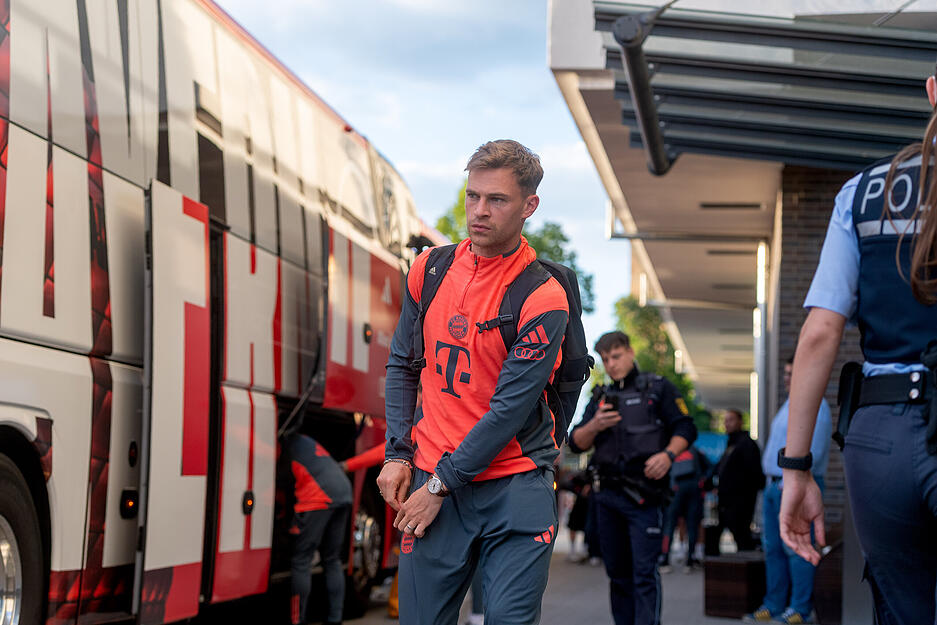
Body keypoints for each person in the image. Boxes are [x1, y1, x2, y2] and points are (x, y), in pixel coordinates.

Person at [378, 140, 570, 625]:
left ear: (530, 205)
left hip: (514, 484)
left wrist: (439, 486)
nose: (479, 211)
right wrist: (398, 453)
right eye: (473, 196)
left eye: (497, 200)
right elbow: (403, 364)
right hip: (434, 476)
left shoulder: (543, 297)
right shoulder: (430, 269)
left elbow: (507, 411)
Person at [780, 71, 937, 625]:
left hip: (883, 435)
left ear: (933, 91)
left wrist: (797, 470)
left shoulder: (863, 192)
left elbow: (821, 332)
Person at [569, 330, 697, 625]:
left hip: (645, 496)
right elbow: (576, 442)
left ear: (629, 352)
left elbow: (686, 428)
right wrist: (596, 425)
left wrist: (667, 455)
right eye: (605, 359)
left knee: (643, 574)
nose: (611, 364)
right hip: (606, 497)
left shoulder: (658, 388)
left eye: (616, 356)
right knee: (618, 574)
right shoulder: (601, 397)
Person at [744, 359, 831, 624]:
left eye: (794, 373)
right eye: (786, 373)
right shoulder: (789, 404)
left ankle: (801, 610)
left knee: (798, 547)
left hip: (793, 486)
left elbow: (812, 449)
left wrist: (789, 483)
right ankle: (774, 604)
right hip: (775, 486)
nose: (787, 378)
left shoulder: (817, 404)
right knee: (774, 550)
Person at [286, 434, 352, 625]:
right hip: (344, 491)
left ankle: (297, 620)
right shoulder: (305, 440)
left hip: (319, 496)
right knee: (332, 559)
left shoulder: (284, 445)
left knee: (301, 560)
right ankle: (335, 619)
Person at [714, 408, 764, 553]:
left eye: (731, 420)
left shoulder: (746, 444)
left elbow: (753, 474)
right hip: (727, 499)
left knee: (742, 536)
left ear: (740, 422)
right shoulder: (731, 444)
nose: (727, 424)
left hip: (740, 501)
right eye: (725, 421)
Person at [659, 445, 710, 573]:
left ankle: (665, 559)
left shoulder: (670, 450)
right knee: (690, 525)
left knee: (670, 525)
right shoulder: (694, 450)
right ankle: (689, 559)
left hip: (677, 491)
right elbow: (709, 468)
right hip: (690, 490)